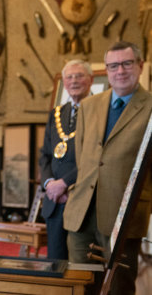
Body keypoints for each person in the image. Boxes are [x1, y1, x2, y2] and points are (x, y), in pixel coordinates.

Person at [63, 41, 152, 295]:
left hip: (123, 215)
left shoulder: (150, 107)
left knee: (119, 287)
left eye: (126, 63)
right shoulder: (90, 105)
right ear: (107, 70)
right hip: (82, 213)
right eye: (113, 66)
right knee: (80, 284)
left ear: (140, 65)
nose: (120, 71)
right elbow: (82, 157)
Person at [39, 59, 93, 260]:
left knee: (82, 263)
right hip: (54, 199)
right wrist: (50, 183)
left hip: (80, 197)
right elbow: (45, 154)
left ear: (90, 79)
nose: (74, 81)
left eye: (79, 76)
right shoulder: (57, 114)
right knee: (56, 261)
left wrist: (65, 183)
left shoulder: (97, 111)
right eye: (69, 77)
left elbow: (94, 157)